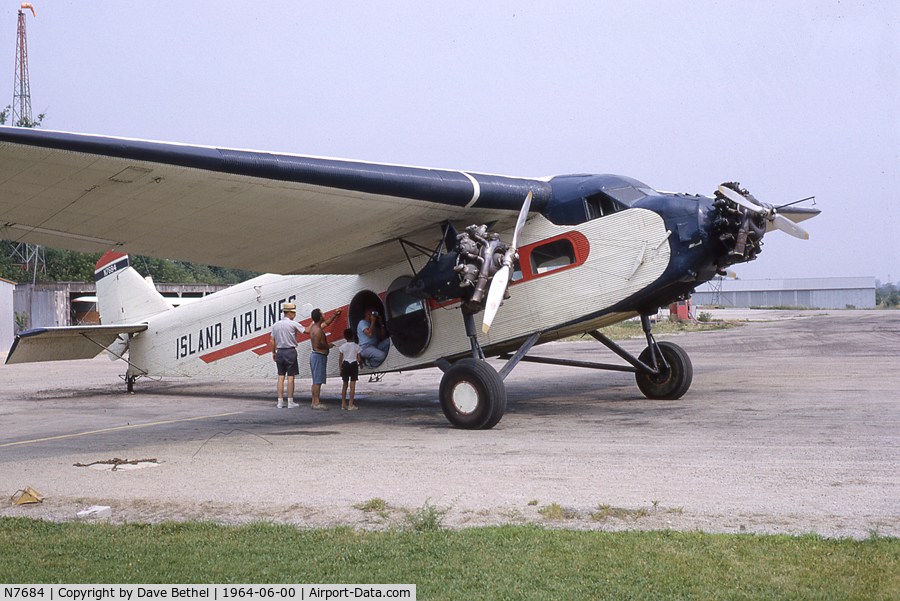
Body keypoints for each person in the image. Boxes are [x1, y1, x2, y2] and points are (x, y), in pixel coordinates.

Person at [268, 302, 304, 408]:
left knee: (280, 377)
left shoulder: (276, 325)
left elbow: (271, 340)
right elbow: (305, 331)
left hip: (280, 352)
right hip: (290, 352)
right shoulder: (293, 324)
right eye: (294, 313)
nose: (295, 315)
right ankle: (290, 401)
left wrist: (273, 352)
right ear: (290, 313)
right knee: (291, 377)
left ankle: (280, 402)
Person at [308, 307, 341, 410]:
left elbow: (326, 323)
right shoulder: (318, 331)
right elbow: (319, 344)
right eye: (322, 314)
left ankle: (314, 402)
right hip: (319, 356)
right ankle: (317, 403)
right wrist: (328, 345)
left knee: (315, 381)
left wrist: (334, 315)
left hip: (315, 355)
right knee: (318, 381)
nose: (324, 315)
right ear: (319, 317)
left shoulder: (314, 327)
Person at [338, 328, 361, 410]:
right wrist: (361, 364)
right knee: (352, 385)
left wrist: (340, 369)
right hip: (354, 364)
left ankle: (343, 403)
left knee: (345, 385)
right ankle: (350, 404)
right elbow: (359, 359)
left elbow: (340, 359)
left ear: (344, 337)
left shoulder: (342, 347)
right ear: (353, 336)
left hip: (346, 364)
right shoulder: (357, 346)